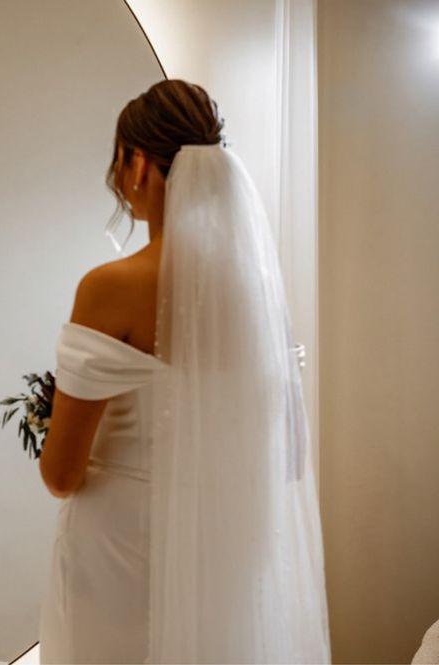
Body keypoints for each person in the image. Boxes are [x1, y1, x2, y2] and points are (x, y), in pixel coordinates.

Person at [37, 80, 331, 663]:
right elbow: (290, 454)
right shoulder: (257, 292)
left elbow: (61, 475)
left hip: (123, 550)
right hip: (226, 545)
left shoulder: (110, 287)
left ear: (138, 164)